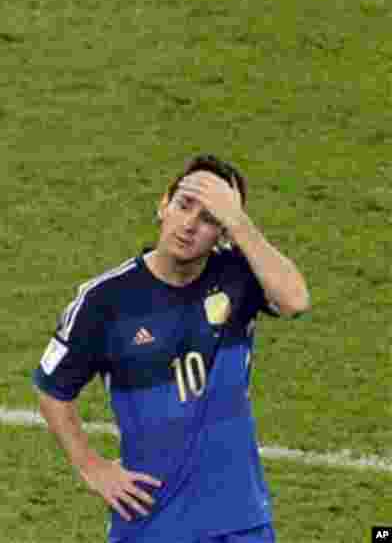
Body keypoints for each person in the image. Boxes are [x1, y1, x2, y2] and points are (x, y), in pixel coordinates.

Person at [32, 154, 310, 543]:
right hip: (151, 523)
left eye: (210, 217)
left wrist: (239, 222)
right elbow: (52, 389)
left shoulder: (239, 275)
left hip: (241, 520)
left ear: (223, 232)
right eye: (184, 205)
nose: (190, 224)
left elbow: (295, 300)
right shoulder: (105, 300)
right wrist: (92, 467)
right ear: (164, 204)